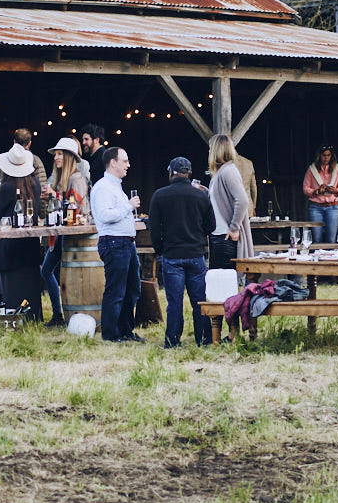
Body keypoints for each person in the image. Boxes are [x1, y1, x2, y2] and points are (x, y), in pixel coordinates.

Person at [148, 155, 215, 348]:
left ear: (171, 172)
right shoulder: (201, 195)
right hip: (195, 254)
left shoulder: (160, 195)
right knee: (199, 301)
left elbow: (154, 228)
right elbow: (211, 226)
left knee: (174, 302)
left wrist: (160, 249)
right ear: (189, 173)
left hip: (172, 255)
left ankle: (172, 341)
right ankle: (204, 339)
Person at [92, 145, 142, 342]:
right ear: (113, 163)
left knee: (132, 289)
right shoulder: (103, 187)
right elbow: (104, 216)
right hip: (114, 243)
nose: (128, 165)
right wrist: (128, 207)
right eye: (124, 161)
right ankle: (111, 334)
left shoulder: (115, 187)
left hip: (126, 243)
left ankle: (126, 331)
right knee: (116, 290)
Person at [40, 136, 89, 326]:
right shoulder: (63, 179)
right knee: (47, 271)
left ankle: (60, 314)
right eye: (56, 154)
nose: (56, 157)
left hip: (72, 236)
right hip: (61, 235)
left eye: (60, 154)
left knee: (48, 270)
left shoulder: (76, 178)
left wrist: (55, 196)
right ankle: (58, 314)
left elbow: (75, 209)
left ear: (69, 157)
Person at [0, 143, 43, 320]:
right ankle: (34, 318)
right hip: (30, 242)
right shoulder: (35, 183)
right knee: (31, 284)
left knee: (13, 288)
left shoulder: (6, 187)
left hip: (10, 245)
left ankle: (15, 320)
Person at [207, 133, 255, 269]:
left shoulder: (228, 171)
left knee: (225, 281)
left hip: (225, 236)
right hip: (218, 233)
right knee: (219, 280)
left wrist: (234, 228)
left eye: (211, 148)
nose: (209, 151)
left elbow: (242, 200)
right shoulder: (220, 172)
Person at [303, 145, 338, 243]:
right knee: (316, 239)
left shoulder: (337, 169)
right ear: (319, 156)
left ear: (331, 156)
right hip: (316, 207)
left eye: (328, 155)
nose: (326, 158)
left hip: (333, 207)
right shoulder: (311, 169)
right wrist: (316, 191)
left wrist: (335, 190)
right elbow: (305, 188)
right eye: (324, 155)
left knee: (331, 239)